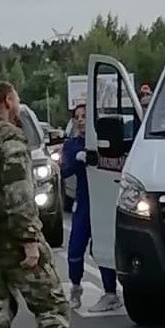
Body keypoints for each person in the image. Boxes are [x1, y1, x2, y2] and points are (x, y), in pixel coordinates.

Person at [0, 81, 90, 328]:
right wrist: (29, 240)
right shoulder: (9, 138)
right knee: (53, 305)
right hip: (14, 238)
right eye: (16, 98)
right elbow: (19, 192)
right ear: (8, 101)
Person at [59, 103, 121, 312]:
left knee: (100, 247)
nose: (81, 120)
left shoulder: (104, 142)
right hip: (84, 200)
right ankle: (76, 289)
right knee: (75, 246)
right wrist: (78, 160)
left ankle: (111, 293)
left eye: (84, 116)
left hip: (103, 199)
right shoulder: (72, 144)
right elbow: (64, 171)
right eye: (77, 117)